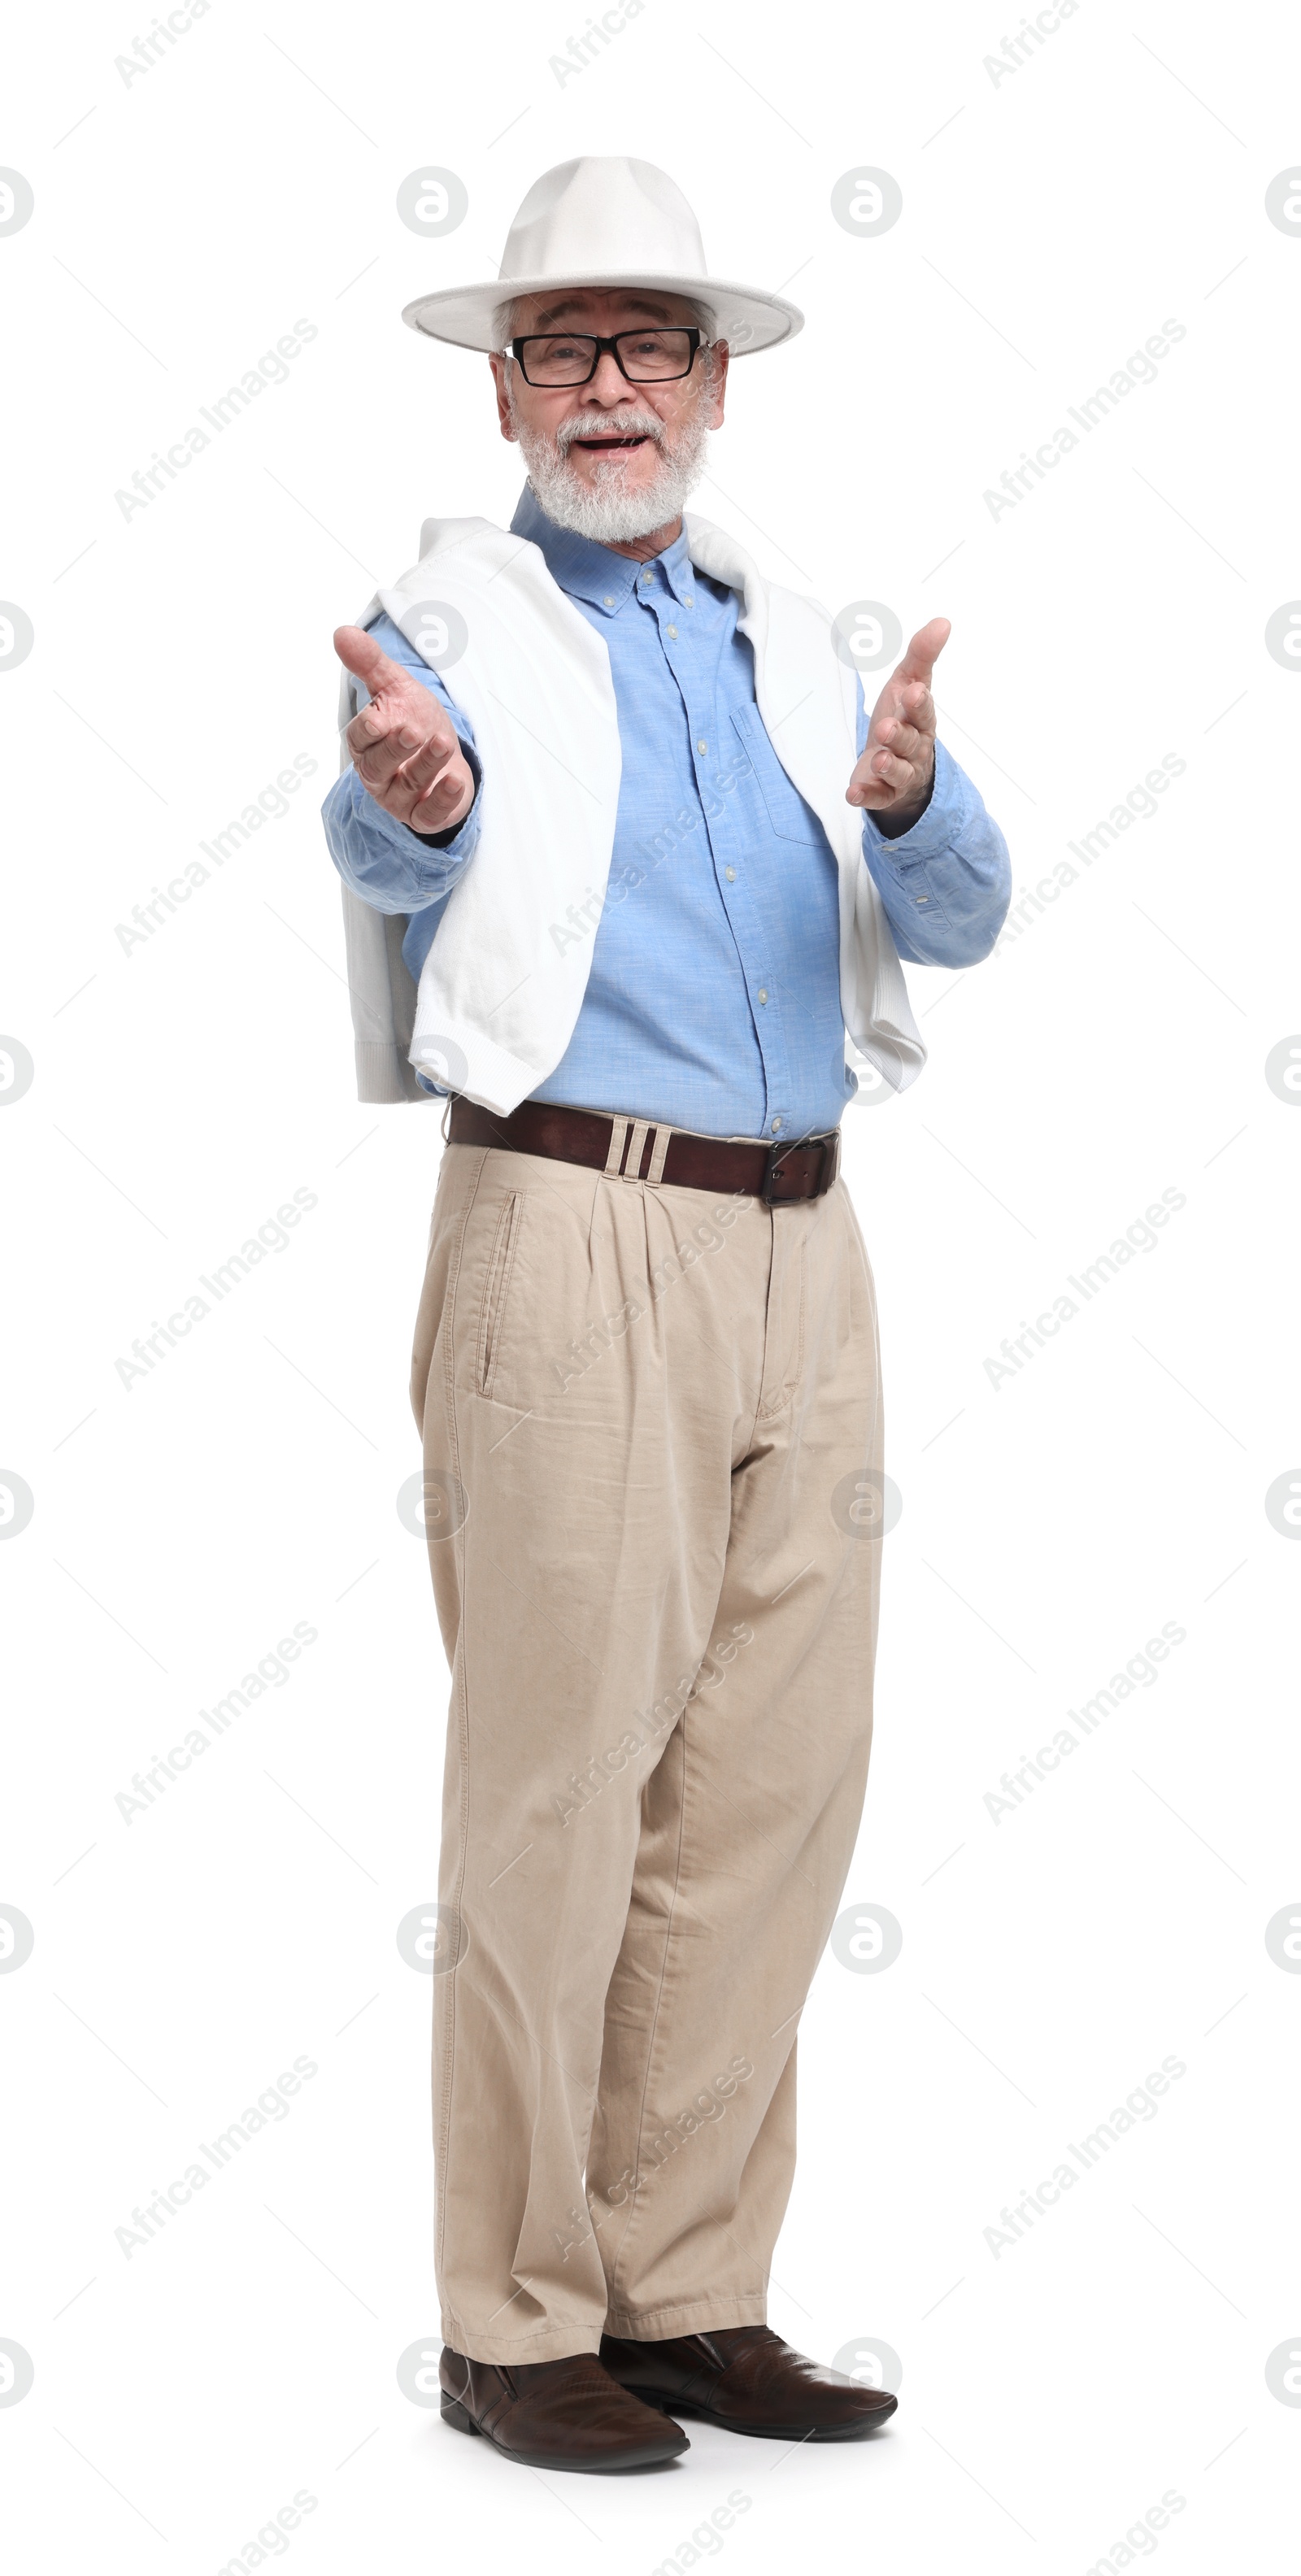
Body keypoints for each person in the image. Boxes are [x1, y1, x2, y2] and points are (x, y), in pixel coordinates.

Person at [323, 156, 1010, 2474]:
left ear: (713, 386)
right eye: (559, 347)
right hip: (573, 1236)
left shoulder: (807, 639)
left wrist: (911, 800)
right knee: (557, 1792)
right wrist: (402, 807)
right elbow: (393, 829)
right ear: (501, 385)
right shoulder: (446, 627)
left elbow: (970, 904)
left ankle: (685, 2284)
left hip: (807, 1254)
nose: (605, 387)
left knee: (769, 1796)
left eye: (648, 347)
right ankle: (514, 2316)